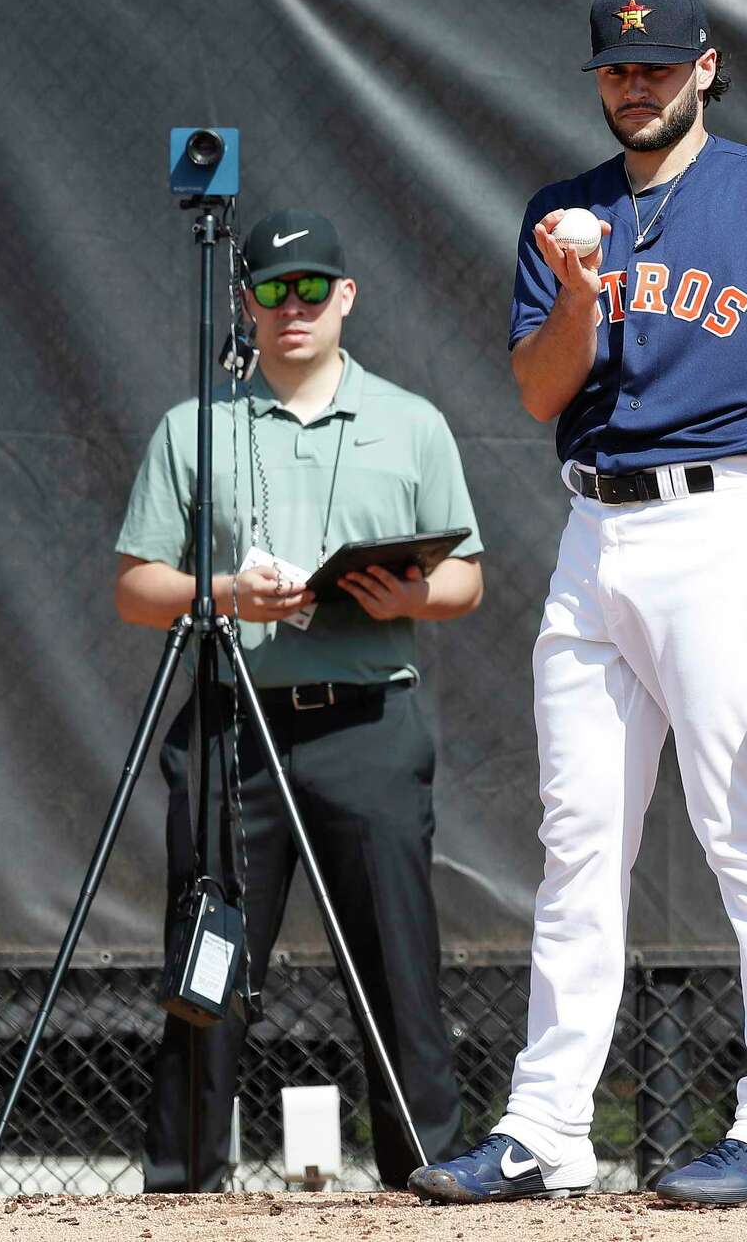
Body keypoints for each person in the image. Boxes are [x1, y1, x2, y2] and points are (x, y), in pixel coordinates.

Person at [409, 0, 747, 1208]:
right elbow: (536, 393)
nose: (637, 83)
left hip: (724, 524)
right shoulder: (562, 213)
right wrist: (575, 294)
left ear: (706, 67)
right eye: (619, 68)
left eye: (659, 65)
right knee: (576, 844)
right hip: (593, 534)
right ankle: (549, 1127)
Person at [115, 208, 483, 1191]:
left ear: (346, 298)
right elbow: (136, 587)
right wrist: (227, 594)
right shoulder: (194, 426)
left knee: (399, 964)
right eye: (272, 291)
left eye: (312, 288)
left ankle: (430, 1172)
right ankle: (185, 1180)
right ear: (245, 302)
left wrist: (411, 593)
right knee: (209, 963)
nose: (293, 308)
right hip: (235, 728)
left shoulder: (412, 422)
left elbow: (466, 578)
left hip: (367, 721)